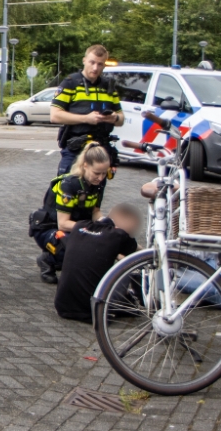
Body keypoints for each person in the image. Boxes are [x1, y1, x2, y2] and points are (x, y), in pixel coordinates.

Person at [29, 142, 110, 284]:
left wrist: (105, 224)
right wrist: (91, 228)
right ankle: (49, 260)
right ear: (85, 165)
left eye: (104, 173)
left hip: (77, 226)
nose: (101, 178)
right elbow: (63, 224)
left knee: (104, 234)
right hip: (50, 229)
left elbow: (95, 210)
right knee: (77, 246)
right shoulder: (69, 184)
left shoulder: (98, 183)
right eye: (97, 173)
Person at [54, 203, 141, 322]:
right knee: (130, 266)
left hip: (62, 307)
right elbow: (137, 255)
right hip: (93, 312)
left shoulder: (79, 225)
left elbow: (101, 245)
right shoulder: (119, 235)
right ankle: (127, 304)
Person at [50, 44, 124, 175]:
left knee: (95, 192)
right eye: (92, 62)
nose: (95, 68)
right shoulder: (70, 83)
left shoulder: (109, 87)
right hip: (76, 148)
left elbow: (121, 118)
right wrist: (86, 119)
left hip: (101, 149)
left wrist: (114, 118)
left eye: (100, 64)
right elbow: (55, 116)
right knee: (65, 188)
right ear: (84, 60)